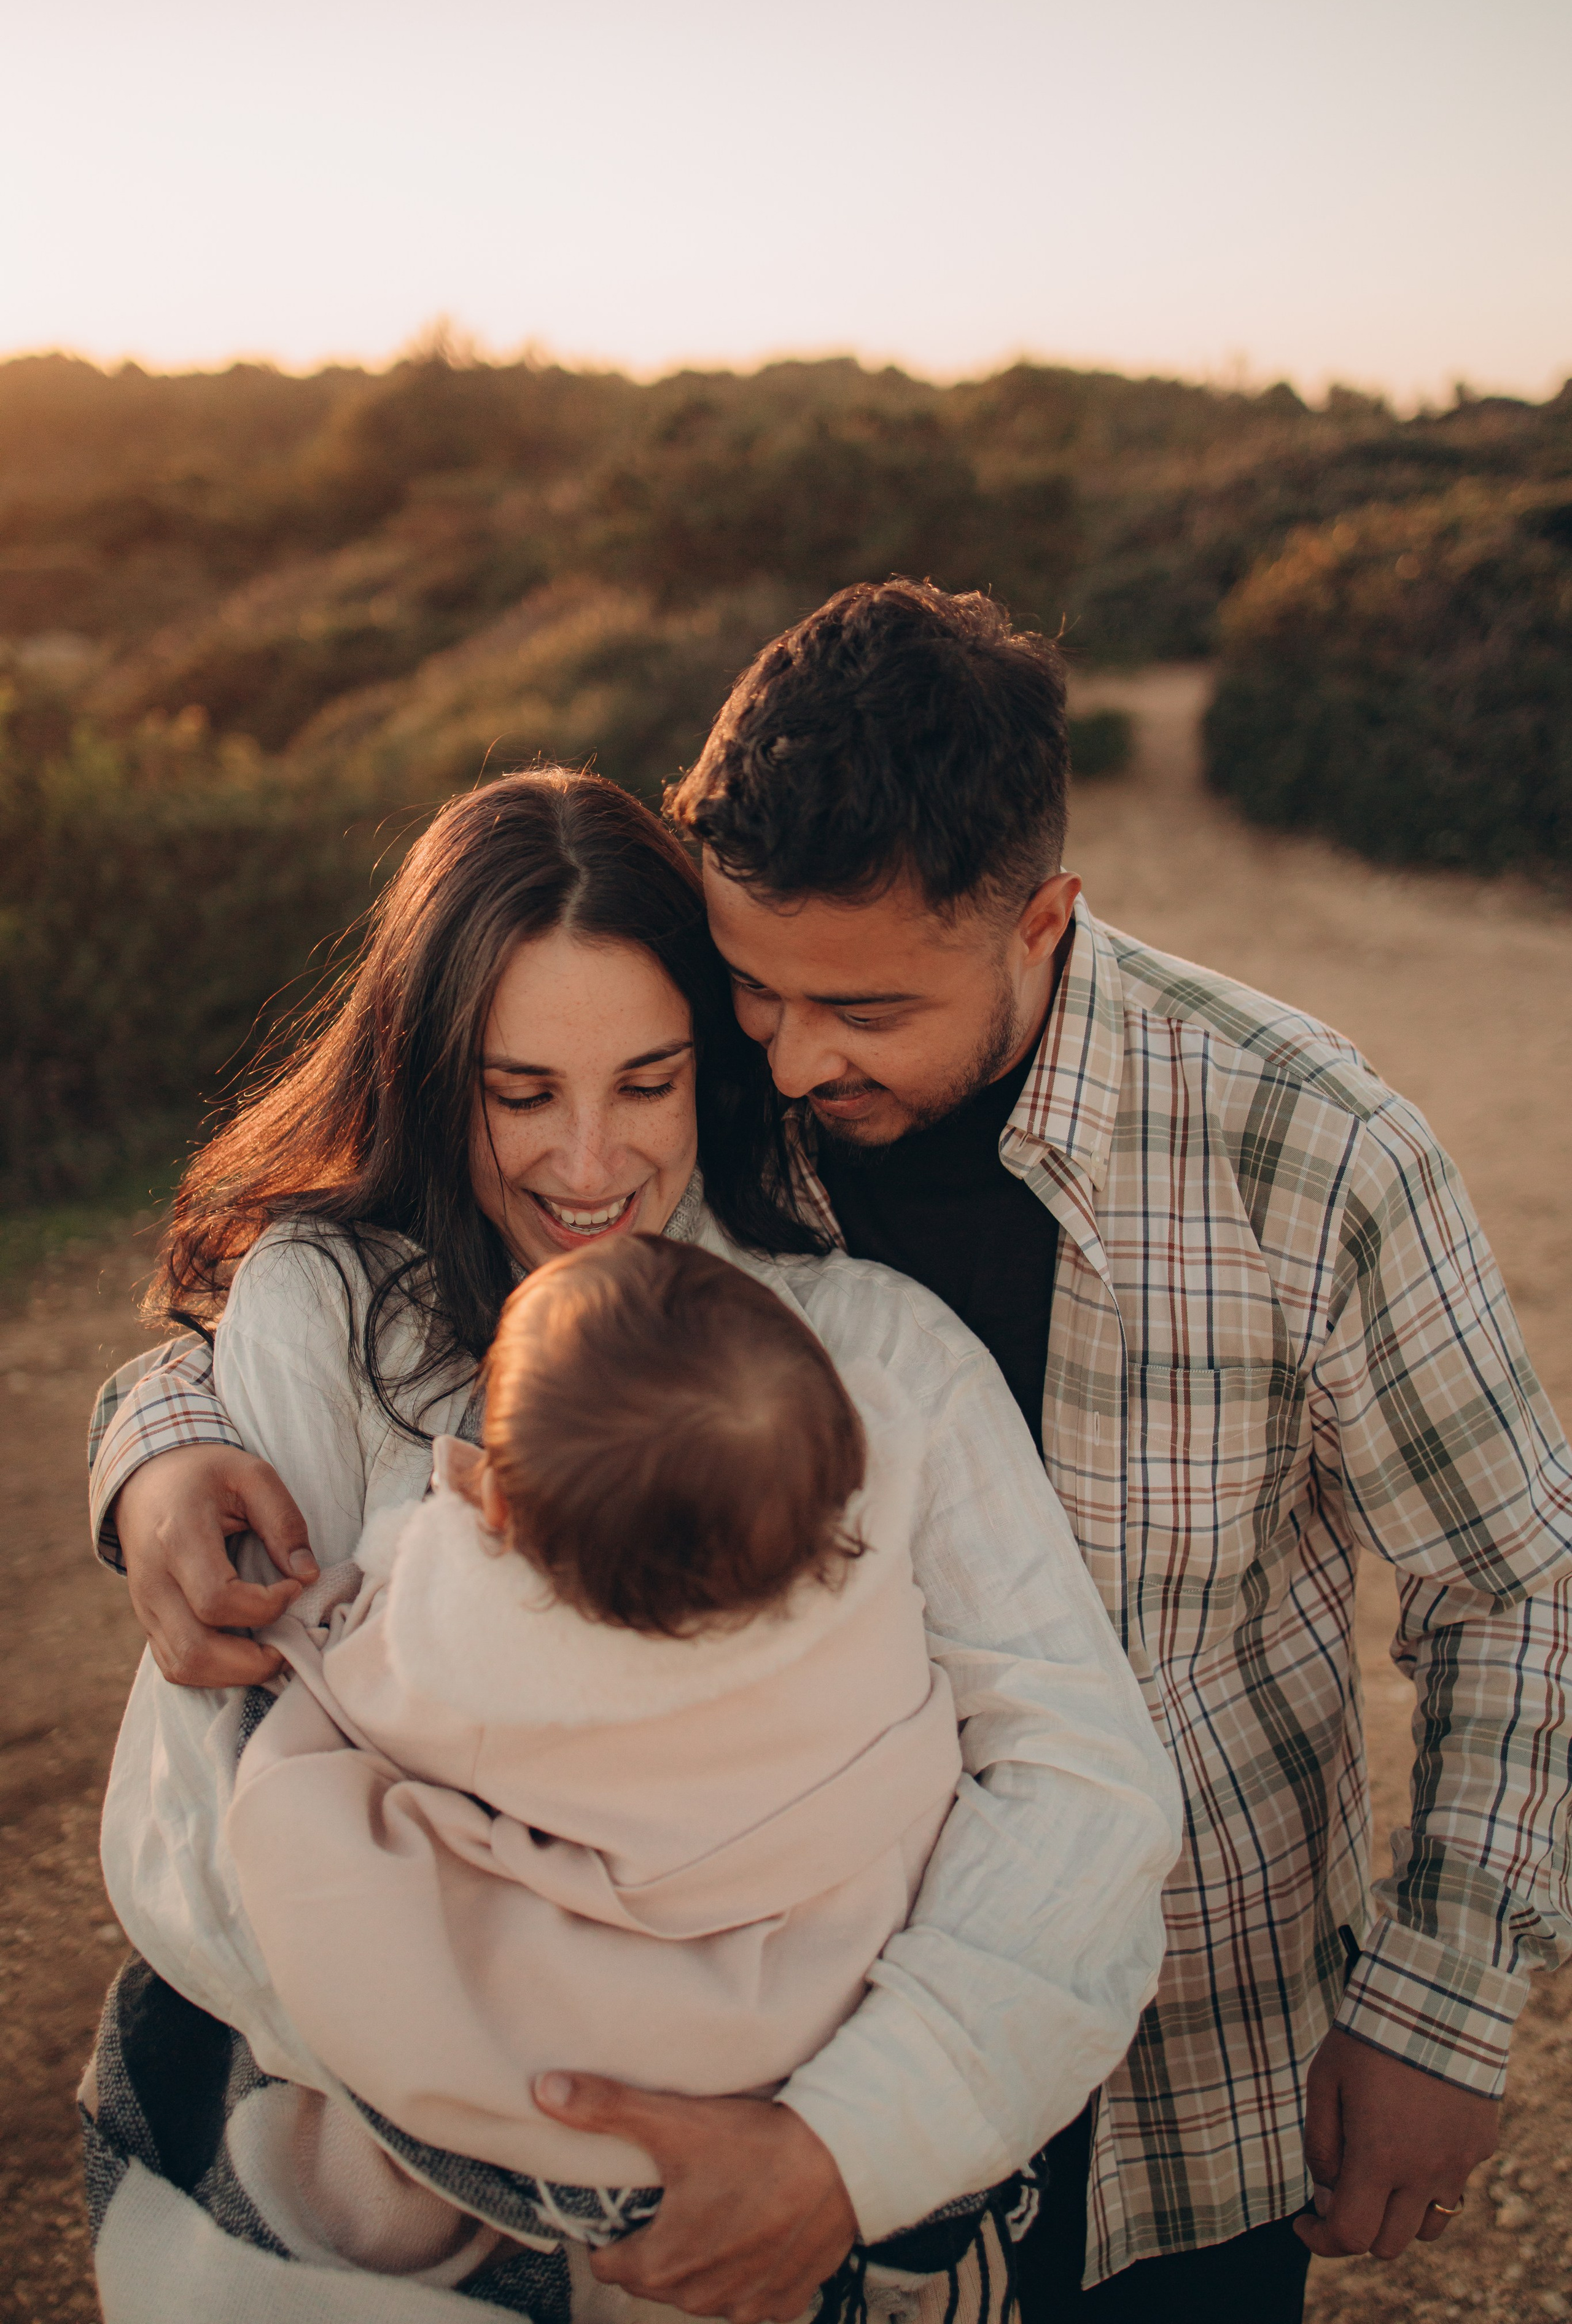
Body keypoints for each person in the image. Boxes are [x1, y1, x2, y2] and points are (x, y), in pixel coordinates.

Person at [98, 579, 1572, 2317]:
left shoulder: (1302, 1151)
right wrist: (156, 1434)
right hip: (747, 2120)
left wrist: (1440, 2008)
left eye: (860, 1012)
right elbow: (365, 1264)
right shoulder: (724, 1115)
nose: (787, 1062)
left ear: (1043, 927)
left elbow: (1515, 1581)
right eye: (749, 996)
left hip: (1187, 2055)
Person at [85, 764, 1179, 2324]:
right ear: (428, 1072)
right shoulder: (321, 1312)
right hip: (376, 2212)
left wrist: (834, 2141)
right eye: (519, 1093)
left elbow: (1077, 1782)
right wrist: (524, 2118)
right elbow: (195, 1814)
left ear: (717, 1071)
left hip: (796, 2176)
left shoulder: (870, 1355)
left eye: (646, 1083)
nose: (588, 1166)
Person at [225, 1235, 965, 2260]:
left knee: (294, 1798)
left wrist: (400, 1577)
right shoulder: (869, 1565)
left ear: (507, 1516)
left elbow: (375, 1695)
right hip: (813, 1995)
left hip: (624, 2058)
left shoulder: (492, 1662)